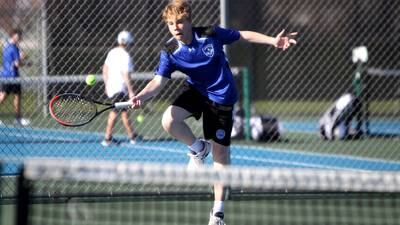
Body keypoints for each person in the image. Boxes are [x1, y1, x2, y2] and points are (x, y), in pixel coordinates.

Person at [130, 0, 297, 224]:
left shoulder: (210, 33)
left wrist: (273, 41)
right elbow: (158, 82)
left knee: (221, 155)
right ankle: (198, 148)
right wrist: (141, 95)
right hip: (197, 91)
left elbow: (242, 36)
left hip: (222, 98)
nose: (176, 27)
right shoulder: (169, 50)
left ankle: (217, 213)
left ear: (189, 21)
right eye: (171, 23)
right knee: (169, 120)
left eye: (180, 21)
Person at [101, 30, 138, 146]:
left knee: (123, 112)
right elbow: (125, 74)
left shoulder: (112, 52)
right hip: (120, 88)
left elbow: (104, 70)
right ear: (127, 43)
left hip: (112, 88)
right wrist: (131, 91)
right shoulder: (126, 56)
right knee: (116, 112)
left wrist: (107, 85)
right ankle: (107, 138)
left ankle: (132, 135)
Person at [0, 28, 30, 126]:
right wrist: (24, 59)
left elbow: (13, 62)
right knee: (3, 96)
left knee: (17, 96)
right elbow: (17, 64)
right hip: (10, 76)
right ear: (14, 36)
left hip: (11, 76)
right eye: (18, 36)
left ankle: (18, 118)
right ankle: (17, 118)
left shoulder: (7, 46)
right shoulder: (13, 47)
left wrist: (21, 60)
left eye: (20, 36)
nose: (20, 38)